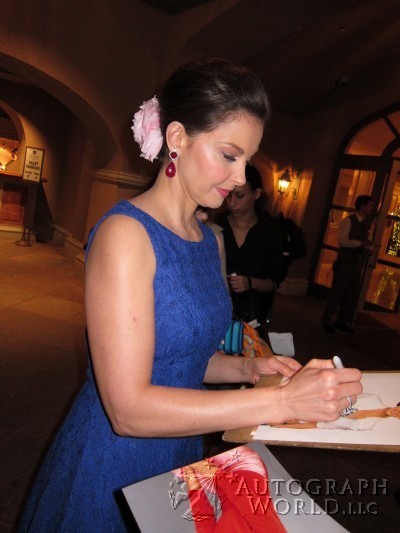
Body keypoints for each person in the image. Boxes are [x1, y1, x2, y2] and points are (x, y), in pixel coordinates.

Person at [19, 58, 362, 532]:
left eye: (247, 160)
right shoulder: (126, 235)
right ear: (177, 137)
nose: (241, 177)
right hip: (115, 460)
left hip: (182, 445)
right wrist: (282, 403)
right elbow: (127, 410)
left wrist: (246, 369)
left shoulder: (210, 239)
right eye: (229, 155)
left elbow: (181, 357)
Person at [215, 163, 287, 338]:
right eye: (228, 195)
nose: (232, 203)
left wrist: (251, 282)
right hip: (215, 311)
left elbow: (273, 281)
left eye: (239, 195)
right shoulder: (215, 225)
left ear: (256, 194)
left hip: (252, 317)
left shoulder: (271, 233)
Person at [322, 195, 374, 333]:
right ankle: (327, 320)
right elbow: (342, 241)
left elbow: (366, 241)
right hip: (345, 262)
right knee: (338, 291)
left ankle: (343, 320)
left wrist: (368, 249)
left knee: (351, 293)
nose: (371, 208)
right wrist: (360, 244)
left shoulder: (367, 224)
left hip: (357, 263)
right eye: (370, 205)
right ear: (362, 205)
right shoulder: (348, 221)